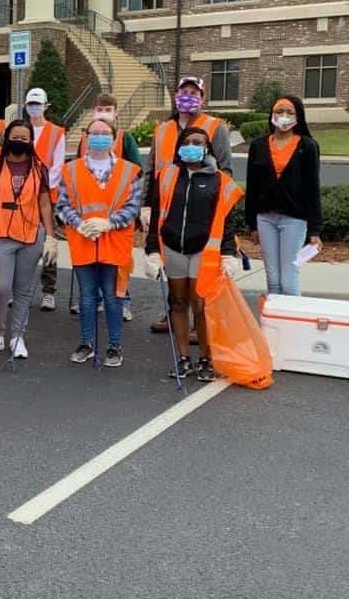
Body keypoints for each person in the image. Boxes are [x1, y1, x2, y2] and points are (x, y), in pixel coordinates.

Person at [144, 126, 242, 382]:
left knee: (200, 305)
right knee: (178, 302)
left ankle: (206, 359)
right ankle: (184, 358)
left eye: (198, 142)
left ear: (207, 148)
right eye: (187, 142)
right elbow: (156, 216)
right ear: (179, 147)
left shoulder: (220, 180)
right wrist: (152, 250)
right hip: (173, 247)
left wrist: (228, 253)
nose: (192, 146)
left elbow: (226, 221)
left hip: (204, 251)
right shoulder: (166, 176)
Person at [143, 76, 232, 336]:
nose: (188, 96)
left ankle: (199, 321)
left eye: (194, 92)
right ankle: (175, 313)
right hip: (167, 205)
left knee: (199, 265)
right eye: (184, 91)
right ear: (176, 95)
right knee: (172, 261)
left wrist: (219, 205)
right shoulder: (162, 130)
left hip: (200, 205)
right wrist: (146, 204)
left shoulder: (215, 127)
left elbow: (225, 170)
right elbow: (151, 169)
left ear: (203, 98)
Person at [57, 119, 142, 367]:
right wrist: (79, 224)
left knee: (113, 297)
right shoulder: (70, 169)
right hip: (83, 240)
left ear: (114, 138)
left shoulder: (129, 170)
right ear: (86, 136)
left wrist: (108, 223)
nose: (100, 137)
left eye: (105, 133)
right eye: (95, 132)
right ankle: (86, 342)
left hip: (114, 242)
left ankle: (114, 346)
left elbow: (133, 207)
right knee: (86, 296)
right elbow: (62, 204)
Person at [0, 120, 58, 358]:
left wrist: (50, 237)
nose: (19, 142)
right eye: (15, 137)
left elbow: (45, 203)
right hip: (2, 235)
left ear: (31, 141)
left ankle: (17, 336)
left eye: (24, 138)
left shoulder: (39, 168)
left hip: (31, 236)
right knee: (1, 287)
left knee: (23, 290)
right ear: (6, 139)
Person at [72, 93, 141, 321]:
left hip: (116, 212)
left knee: (118, 260)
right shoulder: (86, 138)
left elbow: (136, 171)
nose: (103, 112)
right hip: (90, 211)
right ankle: (94, 299)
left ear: (116, 112)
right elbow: (76, 171)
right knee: (92, 257)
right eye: (100, 108)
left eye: (108, 109)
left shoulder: (125, 138)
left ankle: (123, 301)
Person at [245, 96, 323, 296]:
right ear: (272, 114)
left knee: (288, 278)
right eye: (279, 111)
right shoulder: (258, 146)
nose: (284, 116)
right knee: (273, 279)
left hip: (294, 220)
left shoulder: (307, 146)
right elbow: (252, 186)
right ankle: (275, 316)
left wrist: (315, 229)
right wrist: (252, 225)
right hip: (265, 219)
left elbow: (313, 189)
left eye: (290, 112)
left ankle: (292, 314)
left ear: (298, 116)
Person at [24, 87, 66, 312]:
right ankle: (22, 289)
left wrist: (43, 189)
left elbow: (58, 166)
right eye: (31, 104)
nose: (34, 108)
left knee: (48, 242)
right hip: (23, 195)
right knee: (24, 243)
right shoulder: (21, 129)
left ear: (46, 106)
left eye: (38, 104)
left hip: (47, 195)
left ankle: (48, 291)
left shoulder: (56, 132)